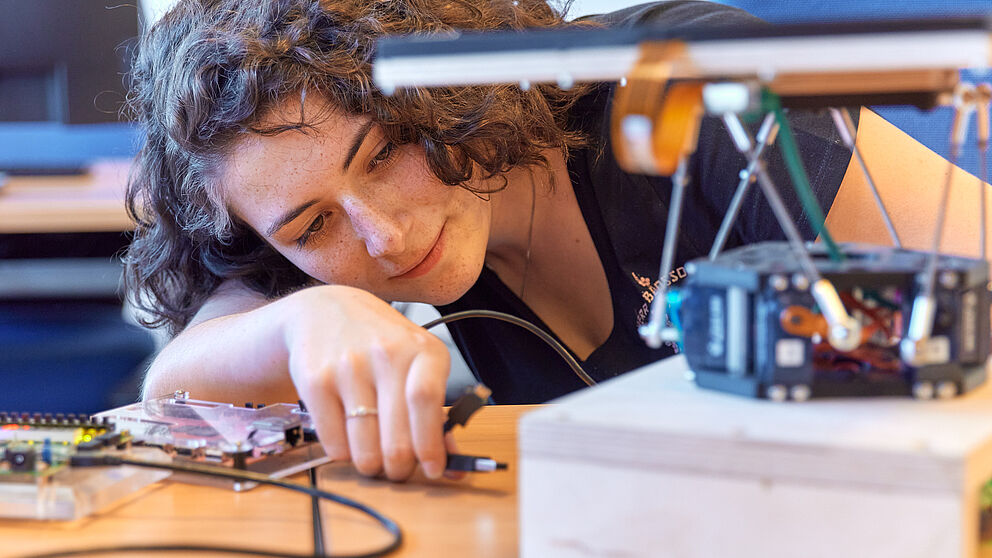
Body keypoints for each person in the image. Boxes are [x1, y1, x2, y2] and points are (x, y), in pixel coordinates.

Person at [125, 0, 991, 481]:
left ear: (438, 90)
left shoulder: (686, 95)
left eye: (386, 153)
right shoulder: (343, 247)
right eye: (312, 226)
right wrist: (297, 325)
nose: (382, 238)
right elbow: (176, 377)